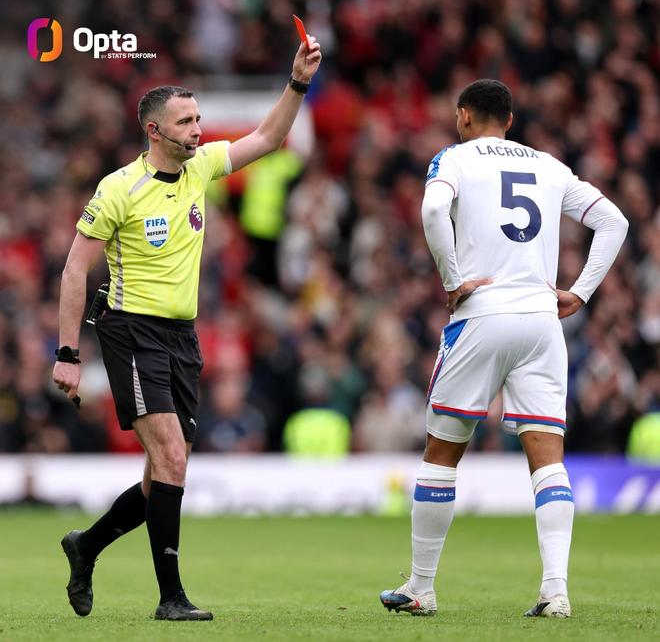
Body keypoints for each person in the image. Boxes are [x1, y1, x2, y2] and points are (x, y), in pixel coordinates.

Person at [52, 36, 322, 621]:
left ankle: (87, 545)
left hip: (181, 336)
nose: (198, 129)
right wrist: (67, 352)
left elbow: (268, 138)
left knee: (162, 477)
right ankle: (170, 599)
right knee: (172, 458)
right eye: (186, 122)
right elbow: (75, 269)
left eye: (198, 119)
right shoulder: (119, 188)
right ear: (155, 131)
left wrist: (298, 81)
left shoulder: (200, 168)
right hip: (132, 331)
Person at [379, 79, 628, 618]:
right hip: (541, 321)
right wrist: (581, 291)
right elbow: (615, 220)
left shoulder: (454, 159)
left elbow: (432, 212)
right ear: (510, 120)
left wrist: (452, 281)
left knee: (442, 452)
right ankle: (556, 591)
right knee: (548, 460)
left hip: (482, 314)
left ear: (463, 116)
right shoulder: (549, 165)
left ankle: (421, 587)